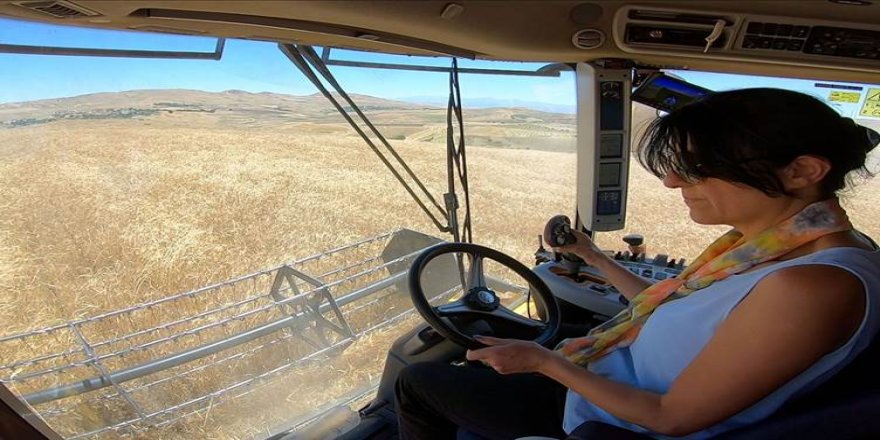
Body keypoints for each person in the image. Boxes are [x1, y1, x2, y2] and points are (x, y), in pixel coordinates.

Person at [394, 88, 880, 439]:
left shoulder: (813, 286)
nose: (672, 183)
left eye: (698, 169)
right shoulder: (778, 247)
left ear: (802, 171)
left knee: (418, 382)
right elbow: (670, 305)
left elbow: (672, 416)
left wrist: (542, 362)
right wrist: (590, 255)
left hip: (610, 418)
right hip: (608, 374)